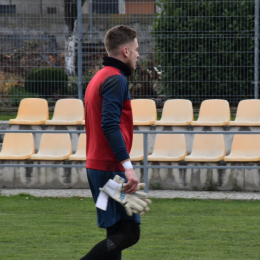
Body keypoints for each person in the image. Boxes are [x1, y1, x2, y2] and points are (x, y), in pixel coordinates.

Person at [80, 25, 141, 260]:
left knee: (115, 233)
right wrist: (128, 168)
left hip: (99, 167)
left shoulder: (99, 76)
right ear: (125, 51)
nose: (138, 54)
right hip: (110, 170)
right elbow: (110, 125)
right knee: (129, 233)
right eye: (136, 49)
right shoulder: (115, 79)